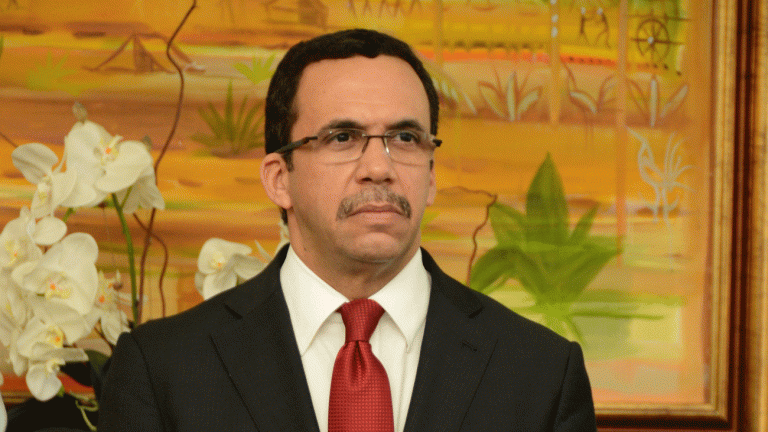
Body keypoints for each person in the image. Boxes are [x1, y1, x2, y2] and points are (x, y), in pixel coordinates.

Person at [98, 28, 597, 431]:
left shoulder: (540, 373)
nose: (379, 167)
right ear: (279, 179)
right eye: (343, 137)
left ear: (430, 177)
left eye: (406, 138)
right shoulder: (164, 369)